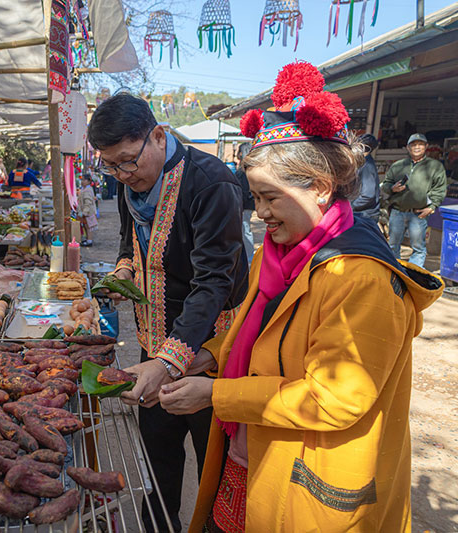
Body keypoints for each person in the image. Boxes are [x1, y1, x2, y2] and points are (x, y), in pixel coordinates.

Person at [158, 61, 443, 533]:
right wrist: (203, 358)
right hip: (252, 453)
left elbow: (334, 398)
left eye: (270, 198)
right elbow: (257, 334)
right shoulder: (276, 254)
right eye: (255, 198)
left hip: (309, 473)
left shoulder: (361, 277)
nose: (260, 214)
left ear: (322, 188)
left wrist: (216, 394)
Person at [87, 93, 249, 532]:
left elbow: (214, 281)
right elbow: (129, 242)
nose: (123, 175)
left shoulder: (211, 183)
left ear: (158, 136)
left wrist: (170, 361)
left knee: (214, 462)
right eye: (111, 166)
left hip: (207, 352)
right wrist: (123, 270)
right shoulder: (130, 183)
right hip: (152, 342)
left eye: (128, 161)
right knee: (158, 455)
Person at [381, 133, 447, 267]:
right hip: (397, 212)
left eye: (420, 144)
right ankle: (395, 272)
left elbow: (440, 189)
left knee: (418, 248)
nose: (417, 147)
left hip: (419, 214)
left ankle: (414, 275)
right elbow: (385, 184)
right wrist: (392, 188)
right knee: (392, 246)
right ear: (407, 147)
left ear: (426, 146)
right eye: (413, 144)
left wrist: (432, 207)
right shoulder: (398, 165)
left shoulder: (435, 166)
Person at [234, 142, 255, 266]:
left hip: (243, 205)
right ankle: (247, 256)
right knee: (244, 229)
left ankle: (249, 258)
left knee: (245, 230)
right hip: (247, 205)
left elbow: (243, 190)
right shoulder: (250, 169)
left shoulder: (243, 171)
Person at [352, 133, 381, 222]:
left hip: (365, 215)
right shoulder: (363, 163)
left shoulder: (366, 166)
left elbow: (367, 196)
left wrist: (350, 206)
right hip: (364, 214)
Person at [78, 174, 98, 246]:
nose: (82, 181)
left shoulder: (87, 190)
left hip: (88, 212)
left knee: (89, 227)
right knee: (86, 226)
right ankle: (87, 239)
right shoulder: (85, 189)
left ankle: (89, 241)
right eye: (82, 180)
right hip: (86, 211)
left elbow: (88, 203)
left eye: (84, 180)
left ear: (89, 181)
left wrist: (84, 212)